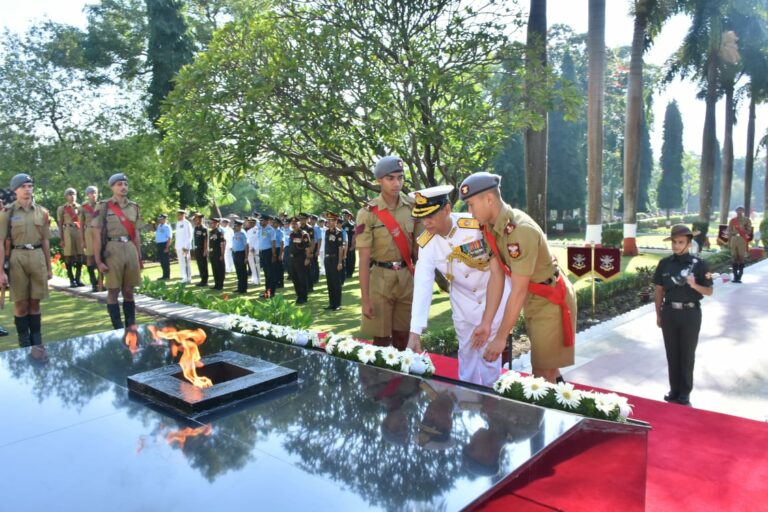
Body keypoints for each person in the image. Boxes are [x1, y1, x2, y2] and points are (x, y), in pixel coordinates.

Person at [459, 172, 575, 384]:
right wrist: (486, 323)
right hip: (534, 298)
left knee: (542, 373)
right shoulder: (490, 228)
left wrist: (501, 337)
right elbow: (497, 276)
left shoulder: (520, 231)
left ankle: (548, 415)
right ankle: (562, 406)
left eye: (471, 204)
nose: (469, 211)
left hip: (550, 299)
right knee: (548, 368)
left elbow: (518, 289)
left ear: (489, 199)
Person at [407, 185, 511, 387]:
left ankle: (493, 404)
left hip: (493, 298)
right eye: (421, 217)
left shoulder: (475, 226)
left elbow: (501, 265)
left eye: (430, 216)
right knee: (467, 356)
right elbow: (422, 285)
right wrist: (415, 332)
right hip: (463, 304)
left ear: (447, 209)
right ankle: (467, 403)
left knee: (490, 358)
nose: (425, 223)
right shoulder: (427, 243)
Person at [356, 155, 419, 351]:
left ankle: (405, 382)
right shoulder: (367, 213)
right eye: (390, 178)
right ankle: (380, 382)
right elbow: (364, 260)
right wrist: (365, 300)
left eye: (400, 178)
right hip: (380, 280)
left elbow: (419, 249)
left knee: (404, 337)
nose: (396, 183)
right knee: (381, 342)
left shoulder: (413, 207)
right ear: (379, 180)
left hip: (406, 278)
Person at [653, 224, 713, 406]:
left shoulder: (699, 264)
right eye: (674, 242)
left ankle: (685, 392)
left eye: (680, 242)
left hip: (690, 313)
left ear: (689, 243)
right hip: (670, 312)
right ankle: (674, 390)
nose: (676, 246)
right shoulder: (664, 264)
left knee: (687, 353)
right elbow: (658, 290)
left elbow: (709, 291)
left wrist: (695, 285)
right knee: (672, 353)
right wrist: (658, 314)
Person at [0, 174, 52, 346]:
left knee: (35, 302)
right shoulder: (7, 212)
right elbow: (1, 243)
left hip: (37, 256)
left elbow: (45, 241)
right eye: (23, 187)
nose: (28, 189)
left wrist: (49, 267)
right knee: (21, 303)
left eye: (30, 186)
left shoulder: (42, 212)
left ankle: (36, 339)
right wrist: (1, 272)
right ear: (15, 190)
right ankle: (24, 341)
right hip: (17, 257)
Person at [92, 173, 143, 330]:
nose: (123, 187)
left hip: (130, 248)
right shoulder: (103, 206)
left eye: (125, 184)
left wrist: (139, 257)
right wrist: (98, 261)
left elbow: (137, 234)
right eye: (119, 184)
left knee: (129, 290)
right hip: (112, 249)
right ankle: (117, 327)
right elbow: (96, 234)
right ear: (112, 187)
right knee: (113, 290)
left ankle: (131, 325)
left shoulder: (134, 207)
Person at [56, 188, 86, 288]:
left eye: (74, 194)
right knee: (69, 256)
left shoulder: (81, 208)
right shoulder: (62, 208)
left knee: (80, 256)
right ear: (66, 196)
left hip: (78, 231)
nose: (72, 196)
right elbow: (60, 224)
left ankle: (78, 279)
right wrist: (61, 238)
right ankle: (71, 280)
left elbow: (83, 222)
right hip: (67, 231)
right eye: (70, 194)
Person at [323, 211, 346, 310]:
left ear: (336, 221)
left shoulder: (339, 233)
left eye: (331, 220)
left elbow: (340, 248)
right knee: (329, 282)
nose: (329, 222)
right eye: (328, 221)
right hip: (327, 259)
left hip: (335, 258)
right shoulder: (327, 232)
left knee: (336, 282)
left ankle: (337, 304)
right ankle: (331, 303)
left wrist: (340, 262)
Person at [80, 185, 101, 291]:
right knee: (90, 257)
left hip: (100, 231)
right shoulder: (83, 207)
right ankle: (93, 283)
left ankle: (100, 282)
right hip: (88, 232)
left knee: (101, 256)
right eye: (91, 193)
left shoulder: (101, 205)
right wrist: (82, 240)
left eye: (95, 193)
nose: (93, 195)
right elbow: (81, 224)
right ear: (87, 195)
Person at [288, 216, 312, 304]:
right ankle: (299, 296)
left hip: (301, 258)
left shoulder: (303, 234)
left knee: (302, 278)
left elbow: (308, 247)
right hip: (293, 258)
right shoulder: (291, 234)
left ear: (299, 224)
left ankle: (304, 297)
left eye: (295, 223)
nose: (293, 225)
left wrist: (308, 258)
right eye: (292, 224)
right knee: (295, 279)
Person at [727, 206, 752, 283]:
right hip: (734, 239)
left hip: (742, 239)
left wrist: (742, 229)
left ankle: (740, 275)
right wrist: (729, 240)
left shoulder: (747, 220)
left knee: (741, 257)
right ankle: (735, 276)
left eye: (741, 210)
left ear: (743, 211)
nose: (739, 212)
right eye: (738, 210)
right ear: (736, 211)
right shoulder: (732, 220)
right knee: (734, 257)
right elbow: (729, 231)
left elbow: (749, 231)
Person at [258, 215, 278, 298]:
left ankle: (271, 292)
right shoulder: (261, 229)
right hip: (262, 252)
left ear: (266, 221)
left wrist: (273, 254)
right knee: (266, 273)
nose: (260, 222)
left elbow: (273, 242)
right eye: (260, 220)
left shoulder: (271, 230)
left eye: (262, 220)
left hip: (268, 252)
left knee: (271, 274)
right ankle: (267, 292)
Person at [174, 209, 194, 283]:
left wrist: (186, 246)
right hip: (179, 246)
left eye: (179, 215)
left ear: (183, 215)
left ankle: (188, 278)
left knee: (186, 262)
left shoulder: (186, 223)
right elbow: (177, 236)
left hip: (185, 246)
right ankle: (183, 277)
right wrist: (176, 246)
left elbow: (190, 236)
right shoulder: (178, 223)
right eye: (177, 215)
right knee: (181, 262)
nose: (177, 216)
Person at [231, 218, 249, 293]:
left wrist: (246, 257)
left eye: (237, 226)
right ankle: (239, 287)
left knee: (242, 272)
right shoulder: (235, 233)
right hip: (235, 253)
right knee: (238, 272)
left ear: (240, 226)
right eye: (235, 226)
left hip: (241, 254)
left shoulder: (243, 233)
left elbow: (246, 246)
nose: (235, 227)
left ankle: (243, 288)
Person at [208, 218, 226, 290]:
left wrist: (222, 254)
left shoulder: (219, 232)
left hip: (218, 252)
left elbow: (222, 244)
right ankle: (216, 284)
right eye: (211, 223)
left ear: (217, 223)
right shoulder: (211, 232)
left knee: (219, 269)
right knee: (214, 269)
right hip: (212, 252)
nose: (211, 224)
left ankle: (220, 285)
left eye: (213, 223)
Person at [192, 213, 209, 287]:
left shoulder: (204, 229)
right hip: (197, 249)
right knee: (199, 265)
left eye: (197, 219)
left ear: (200, 219)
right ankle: (202, 279)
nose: (195, 220)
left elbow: (206, 240)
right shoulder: (196, 228)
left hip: (202, 249)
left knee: (203, 265)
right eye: (195, 219)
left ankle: (205, 281)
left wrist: (205, 250)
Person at [155, 214, 172, 280]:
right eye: (159, 219)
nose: (160, 220)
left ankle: (167, 276)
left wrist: (167, 247)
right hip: (159, 245)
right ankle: (164, 275)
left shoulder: (167, 227)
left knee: (165, 261)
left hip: (164, 244)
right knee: (162, 261)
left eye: (161, 219)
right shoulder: (159, 226)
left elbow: (169, 238)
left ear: (165, 219)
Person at [245, 216, 261, 286]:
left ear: (254, 223)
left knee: (256, 265)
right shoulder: (248, 231)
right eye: (249, 222)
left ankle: (258, 280)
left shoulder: (257, 230)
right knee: (251, 265)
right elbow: (248, 241)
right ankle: (254, 279)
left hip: (255, 250)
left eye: (251, 223)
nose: (249, 224)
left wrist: (255, 248)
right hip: (249, 250)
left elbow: (258, 240)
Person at [342, 208, 356, 280]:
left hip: (350, 245)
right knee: (345, 259)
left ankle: (350, 273)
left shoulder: (352, 225)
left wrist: (353, 245)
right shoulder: (342, 225)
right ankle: (346, 272)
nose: (344, 217)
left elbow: (354, 235)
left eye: (346, 215)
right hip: (344, 245)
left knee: (351, 259)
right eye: (343, 215)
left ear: (349, 216)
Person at [272, 217, 285, 288]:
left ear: (278, 224)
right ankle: (275, 281)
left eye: (275, 222)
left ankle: (280, 283)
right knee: (274, 267)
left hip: (278, 249)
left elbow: (282, 243)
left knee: (279, 267)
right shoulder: (271, 231)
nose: (273, 224)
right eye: (273, 222)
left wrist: (280, 254)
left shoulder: (280, 232)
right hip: (273, 249)